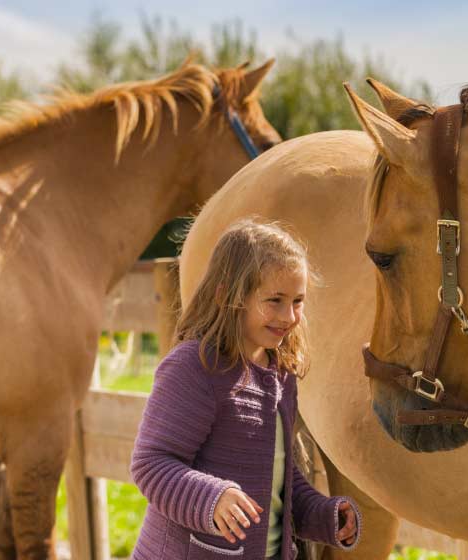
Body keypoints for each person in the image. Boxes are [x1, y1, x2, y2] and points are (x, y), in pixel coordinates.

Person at [130, 218, 361, 560]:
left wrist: (326, 517)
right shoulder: (194, 367)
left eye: (297, 301)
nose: (289, 316)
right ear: (227, 295)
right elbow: (151, 464)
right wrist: (213, 498)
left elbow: (279, 480)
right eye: (274, 300)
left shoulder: (280, 373)